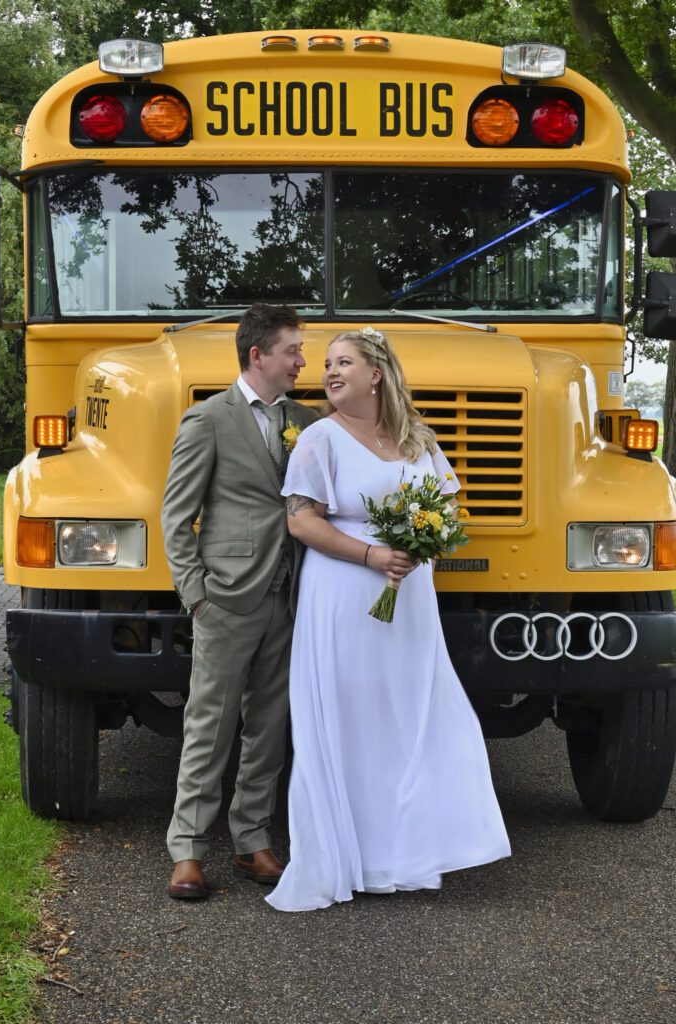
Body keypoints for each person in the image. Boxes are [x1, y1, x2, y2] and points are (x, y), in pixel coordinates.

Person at [266, 327, 510, 912]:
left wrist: (425, 539)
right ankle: (348, 857)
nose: (329, 371)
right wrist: (374, 553)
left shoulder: (416, 438)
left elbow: (448, 502)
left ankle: (404, 854)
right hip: (345, 594)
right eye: (326, 363)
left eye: (343, 362)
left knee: (411, 716)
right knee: (351, 721)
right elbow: (302, 522)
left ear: (376, 375)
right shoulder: (319, 439)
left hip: (411, 598)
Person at [161, 303, 318, 900]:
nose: (302, 362)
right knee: (210, 724)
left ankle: (252, 841)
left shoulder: (308, 420)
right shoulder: (207, 420)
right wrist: (196, 595)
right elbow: (177, 516)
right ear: (258, 356)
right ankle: (188, 851)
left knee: (270, 727)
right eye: (293, 351)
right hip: (226, 598)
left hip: (289, 595)